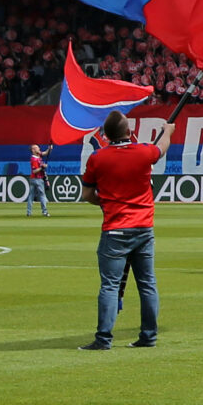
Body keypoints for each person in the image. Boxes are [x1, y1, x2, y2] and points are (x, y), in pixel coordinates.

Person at [80, 112, 164, 350]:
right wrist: (167, 131)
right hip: (144, 228)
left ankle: (103, 338)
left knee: (109, 285)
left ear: (105, 136)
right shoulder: (144, 151)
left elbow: (87, 194)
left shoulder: (98, 158)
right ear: (129, 132)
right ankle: (149, 336)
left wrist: (106, 202)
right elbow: (161, 149)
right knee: (147, 283)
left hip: (115, 229)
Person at [25, 143, 51, 217]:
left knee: (31, 196)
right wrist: (42, 167)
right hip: (37, 179)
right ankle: (44, 211)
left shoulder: (38, 155)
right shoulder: (33, 159)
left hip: (34, 179)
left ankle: (29, 212)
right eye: (37, 148)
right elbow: (34, 171)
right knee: (42, 195)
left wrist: (49, 148)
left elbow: (45, 153)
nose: (39, 148)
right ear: (33, 150)